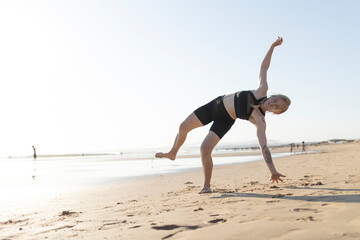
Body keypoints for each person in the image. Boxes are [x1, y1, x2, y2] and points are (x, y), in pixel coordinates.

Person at [155, 37, 291, 193]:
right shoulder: (261, 90)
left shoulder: (260, 120)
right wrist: (272, 46)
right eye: (274, 100)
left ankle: (206, 186)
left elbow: (264, 146)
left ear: (276, 113)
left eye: (276, 107)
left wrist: (272, 170)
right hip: (215, 105)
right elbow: (264, 67)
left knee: (204, 149)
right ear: (273, 96)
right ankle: (173, 153)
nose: (272, 104)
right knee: (183, 126)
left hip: (225, 120)